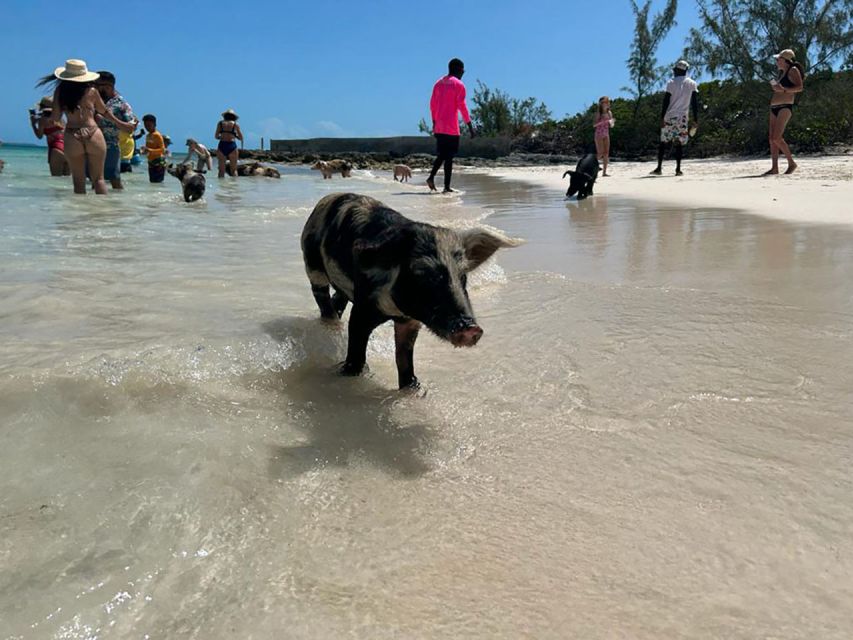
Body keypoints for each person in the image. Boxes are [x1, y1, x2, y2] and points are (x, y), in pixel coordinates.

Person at [36, 59, 129, 194]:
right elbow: (104, 111)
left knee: (78, 181)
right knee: (99, 179)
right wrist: (121, 124)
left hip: (72, 135)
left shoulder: (60, 91)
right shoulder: (92, 90)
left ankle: (80, 214)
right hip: (93, 132)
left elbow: (55, 118)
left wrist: (45, 118)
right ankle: (105, 213)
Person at [427, 58, 475, 193]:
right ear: (458, 70)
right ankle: (446, 187)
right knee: (449, 157)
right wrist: (469, 125)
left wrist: (434, 122)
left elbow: (432, 105)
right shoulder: (458, 85)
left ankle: (432, 178)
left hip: (440, 126)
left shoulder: (438, 83)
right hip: (451, 127)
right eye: (463, 70)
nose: (463, 73)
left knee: (443, 154)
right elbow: (462, 106)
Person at [650, 60, 698, 176]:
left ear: (677, 70)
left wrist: (662, 117)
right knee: (679, 143)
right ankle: (678, 169)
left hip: (670, 116)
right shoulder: (692, 83)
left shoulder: (671, 82)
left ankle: (659, 168)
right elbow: (695, 103)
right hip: (682, 117)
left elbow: (666, 101)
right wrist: (696, 119)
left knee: (663, 142)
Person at [94, 71, 137, 189]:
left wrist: (109, 119)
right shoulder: (94, 100)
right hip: (92, 146)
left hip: (110, 146)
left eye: (97, 86)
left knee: (114, 180)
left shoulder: (121, 104)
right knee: (95, 181)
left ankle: (118, 206)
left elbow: (130, 128)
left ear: (108, 86)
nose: (95, 89)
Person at [766, 49, 804, 175]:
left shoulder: (793, 70)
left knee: (777, 137)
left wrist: (783, 90)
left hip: (785, 107)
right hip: (774, 107)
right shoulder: (782, 73)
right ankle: (774, 167)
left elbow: (799, 87)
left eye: (778, 59)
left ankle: (791, 163)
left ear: (785, 60)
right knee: (772, 139)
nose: (777, 62)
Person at [28, 96, 70, 176]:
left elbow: (39, 136)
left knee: (56, 180)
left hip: (56, 149)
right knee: (66, 182)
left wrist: (33, 124)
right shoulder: (61, 119)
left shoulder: (42, 120)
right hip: (68, 149)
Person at [215, 109, 243, 177]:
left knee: (221, 170)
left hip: (222, 145)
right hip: (232, 145)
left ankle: (221, 187)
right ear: (233, 117)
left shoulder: (220, 123)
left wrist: (222, 136)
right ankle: (234, 186)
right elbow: (241, 138)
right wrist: (234, 135)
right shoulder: (235, 124)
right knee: (234, 170)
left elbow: (216, 136)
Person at [140, 113, 167, 183]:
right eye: (145, 126)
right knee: (152, 183)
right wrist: (144, 151)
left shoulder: (157, 135)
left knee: (158, 183)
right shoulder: (148, 135)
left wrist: (149, 150)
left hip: (159, 162)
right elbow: (148, 149)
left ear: (154, 124)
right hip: (151, 162)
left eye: (149, 125)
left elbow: (162, 150)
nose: (147, 127)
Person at [593, 96, 614, 176]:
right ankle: (591, 165)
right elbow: (594, 125)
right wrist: (603, 121)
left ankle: (604, 172)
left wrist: (612, 122)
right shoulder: (599, 113)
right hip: (598, 134)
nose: (606, 103)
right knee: (600, 153)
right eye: (604, 102)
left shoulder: (609, 113)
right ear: (601, 104)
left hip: (606, 133)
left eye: (607, 102)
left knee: (606, 153)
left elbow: (611, 125)